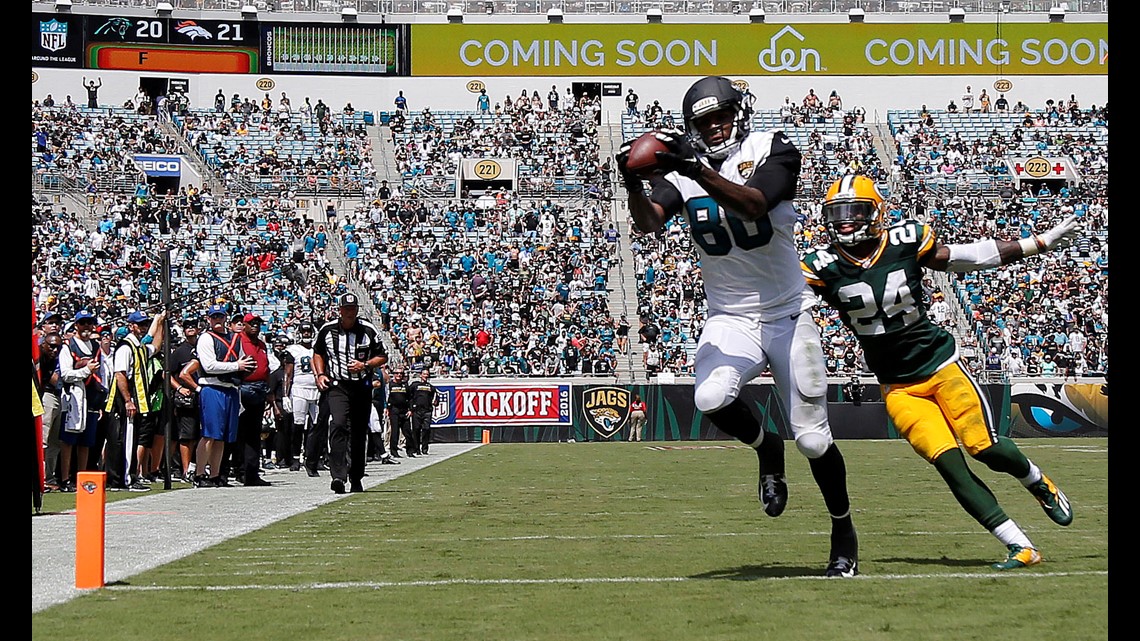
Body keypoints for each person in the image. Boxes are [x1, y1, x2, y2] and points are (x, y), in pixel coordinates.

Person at [616, 75, 859, 577]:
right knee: (709, 398)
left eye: (721, 115)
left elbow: (753, 203)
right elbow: (647, 222)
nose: (716, 126)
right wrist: (632, 181)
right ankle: (766, 449)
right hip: (730, 316)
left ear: (740, 112)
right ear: (693, 128)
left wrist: (693, 167)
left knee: (813, 439)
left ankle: (843, 528)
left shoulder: (773, 147)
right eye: (704, 122)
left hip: (790, 313)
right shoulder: (685, 171)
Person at [801, 174, 1079, 570]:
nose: (845, 222)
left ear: (876, 213)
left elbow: (968, 256)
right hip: (898, 387)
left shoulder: (905, 240)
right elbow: (784, 301)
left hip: (941, 365)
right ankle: (1021, 546)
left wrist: (1038, 243)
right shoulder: (820, 265)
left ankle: (1036, 480)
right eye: (838, 214)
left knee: (986, 447)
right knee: (950, 465)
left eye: (854, 212)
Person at [311, 293, 388, 494]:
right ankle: (338, 475)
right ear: (340, 310)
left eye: (353, 309)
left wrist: (365, 364)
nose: (350, 312)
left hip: (361, 385)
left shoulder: (368, 330)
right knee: (337, 425)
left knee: (358, 431)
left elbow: (382, 356)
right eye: (346, 309)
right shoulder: (327, 330)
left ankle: (356, 476)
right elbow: (318, 352)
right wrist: (320, 374)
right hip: (338, 385)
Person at [104, 309, 167, 491]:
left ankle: (125, 477)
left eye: (145, 324)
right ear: (131, 326)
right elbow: (120, 374)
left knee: (130, 439)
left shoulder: (138, 348)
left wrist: (160, 323)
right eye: (140, 324)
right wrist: (128, 400)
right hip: (125, 401)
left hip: (137, 400)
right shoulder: (125, 347)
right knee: (126, 440)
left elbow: (155, 346)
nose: (143, 327)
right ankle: (125, 479)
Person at [194, 304, 255, 488]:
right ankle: (199, 474)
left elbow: (244, 361)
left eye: (220, 317)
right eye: (214, 317)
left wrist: (244, 368)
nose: (218, 320)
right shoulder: (205, 338)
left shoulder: (234, 338)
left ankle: (215, 475)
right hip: (212, 387)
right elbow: (209, 365)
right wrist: (236, 366)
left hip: (230, 388)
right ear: (209, 319)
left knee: (222, 436)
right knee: (209, 434)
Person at [57, 311, 109, 493]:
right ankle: (64, 478)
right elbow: (66, 374)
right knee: (69, 439)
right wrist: (85, 370)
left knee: (86, 442)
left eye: (89, 323)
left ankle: (82, 476)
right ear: (76, 325)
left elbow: (102, 373)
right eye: (83, 323)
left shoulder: (96, 347)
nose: (86, 327)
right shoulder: (68, 346)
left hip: (92, 398)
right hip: (74, 397)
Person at [234, 313, 273, 486]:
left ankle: (251, 472)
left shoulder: (261, 344)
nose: (255, 326)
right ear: (244, 325)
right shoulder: (238, 341)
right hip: (243, 387)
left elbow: (267, 367)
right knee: (241, 432)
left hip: (260, 388)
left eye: (258, 323)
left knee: (254, 434)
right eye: (252, 323)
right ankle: (240, 470)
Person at [168, 318, 204, 483]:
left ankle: (201, 468)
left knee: (203, 435)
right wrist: (179, 388)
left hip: (205, 395)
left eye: (193, 326)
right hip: (188, 398)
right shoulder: (179, 351)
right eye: (187, 327)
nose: (190, 329)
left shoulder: (204, 347)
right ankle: (185, 470)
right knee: (187, 436)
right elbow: (166, 374)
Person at [285, 323, 318, 473]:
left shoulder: (317, 349)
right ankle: (295, 457)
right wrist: (285, 395)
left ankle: (313, 457)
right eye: (304, 330)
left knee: (316, 425)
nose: (306, 333)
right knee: (298, 425)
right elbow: (288, 374)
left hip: (317, 389)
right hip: (299, 388)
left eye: (308, 330)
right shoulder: (293, 350)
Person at [37, 324, 64, 492]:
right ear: (43, 344)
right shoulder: (38, 356)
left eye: (58, 347)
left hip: (58, 396)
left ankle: (50, 476)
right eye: (51, 346)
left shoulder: (57, 357)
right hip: (44, 397)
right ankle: (41, 477)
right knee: (44, 438)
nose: (55, 350)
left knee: (55, 440)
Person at [386, 367, 417, 458]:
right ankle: (394, 451)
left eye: (401, 374)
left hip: (404, 411)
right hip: (394, 410)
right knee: (394, 432)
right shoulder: (390, 385)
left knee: (407, 431)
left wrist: (411, 410)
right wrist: (387, 409)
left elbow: (410, 399)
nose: (399, 375)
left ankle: (410, 451)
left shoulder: (405, 385)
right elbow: (387, 397)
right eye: (397, 373)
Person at [408, 368, 437, 454]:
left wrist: (435, 402)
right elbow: (409, 396)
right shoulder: (414, 385)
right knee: (416, 429)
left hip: (427, 411)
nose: (425, 376)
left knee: (426, 429)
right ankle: (416, 448)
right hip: (416, 410)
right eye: (424, 374)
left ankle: (425, 448)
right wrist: (411, 408)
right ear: (421, 375)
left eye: (427, 374)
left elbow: (436, 399)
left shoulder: (431, 387)